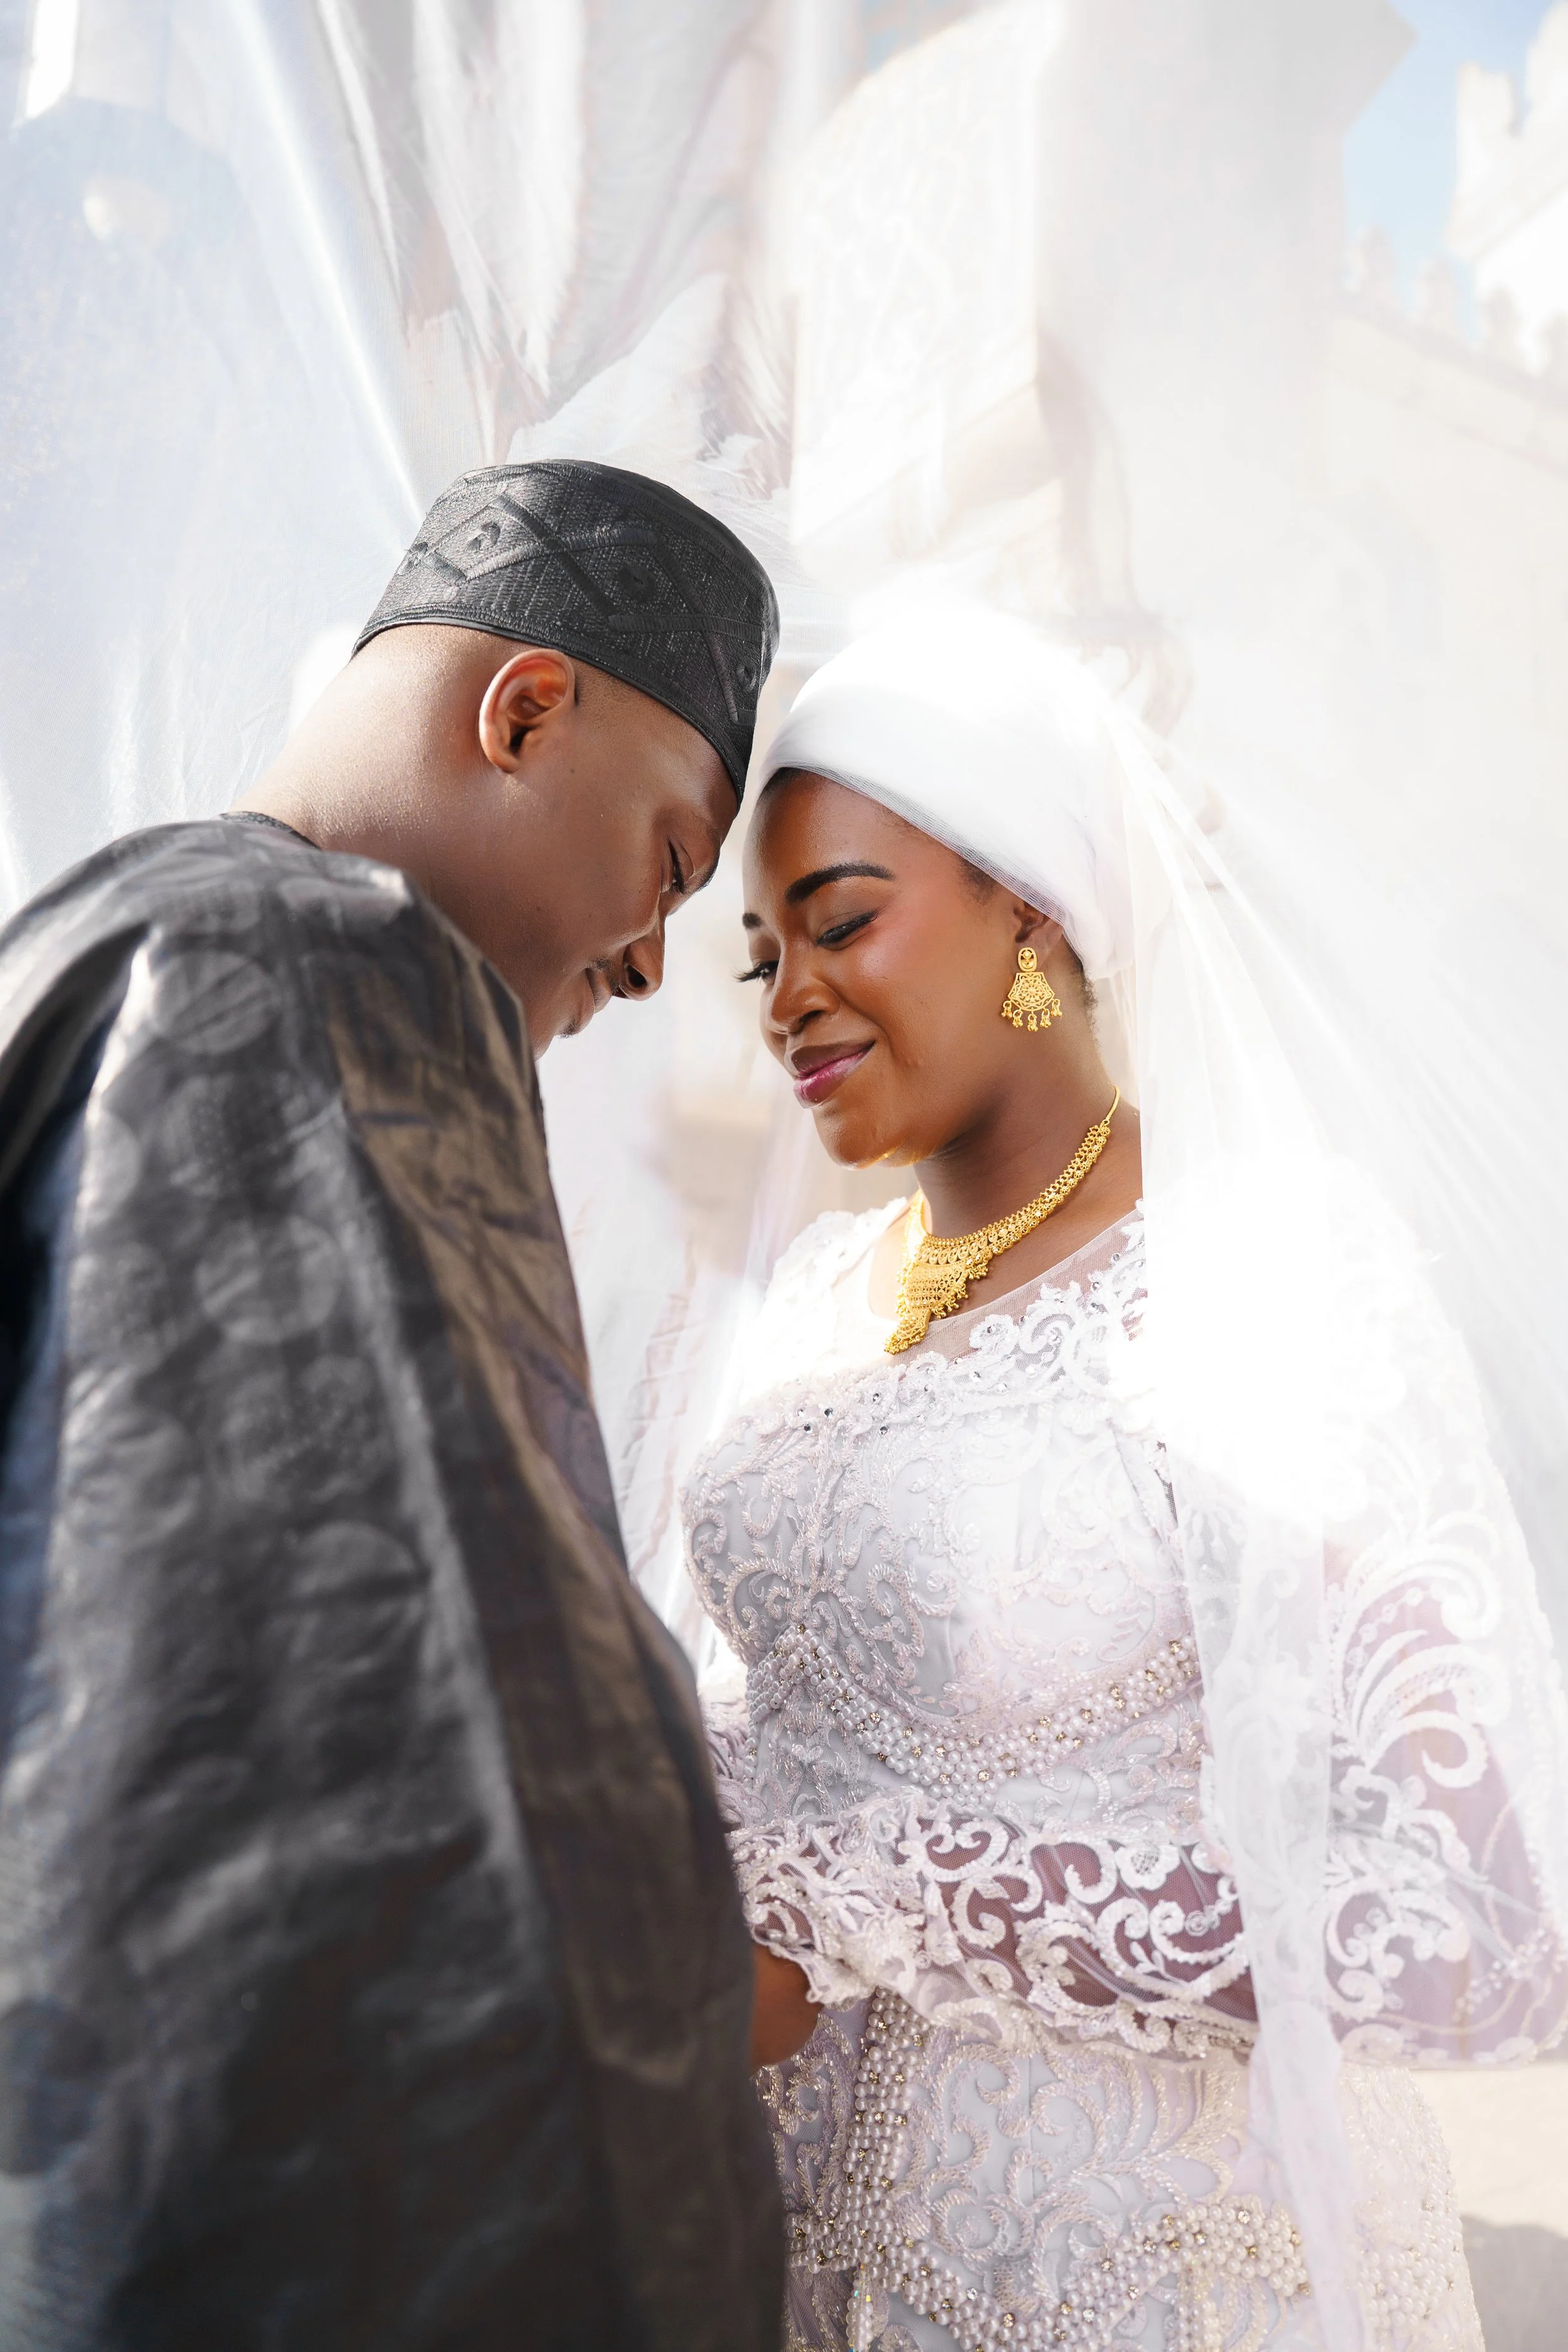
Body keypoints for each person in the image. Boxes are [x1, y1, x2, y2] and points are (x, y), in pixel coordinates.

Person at [681, 605, 1568, 2351]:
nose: (788, 998)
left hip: (1156, 2278)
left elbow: (1490, 1930)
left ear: (1031, 906)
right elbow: (777, 1723)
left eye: (842, 921)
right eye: (759, 956)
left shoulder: (1269, 1281)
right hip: (788, 2260)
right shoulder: (807, 1303)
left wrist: (893, 1894)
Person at [0, 460, 785, 2350]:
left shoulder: (99, 929)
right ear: (524, 712)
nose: (645, 962)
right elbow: (415, 1731)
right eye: (672, 862)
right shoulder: (333, 971)